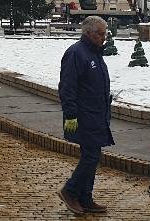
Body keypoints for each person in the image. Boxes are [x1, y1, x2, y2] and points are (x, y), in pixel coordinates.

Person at [56, 16, 113, 215]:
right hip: (83, 115)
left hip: (97, 114)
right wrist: (70, 115)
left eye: (105, 33)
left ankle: (85, 198)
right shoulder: (76, 53)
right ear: (88, 33)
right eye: (100, 33)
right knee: (90, 156)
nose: (103, 37)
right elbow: (67, 87)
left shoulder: (94, 53)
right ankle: (69, 191)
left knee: (93, 156)